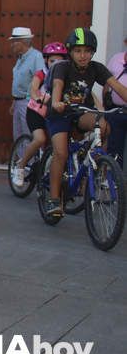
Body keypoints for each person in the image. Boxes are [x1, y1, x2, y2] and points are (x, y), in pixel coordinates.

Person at [45, 28, 127, 218]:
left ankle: (96, 160)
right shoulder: (62, 67)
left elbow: (116, 86)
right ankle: (54, 199)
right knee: (61, 153)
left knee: (104, 124)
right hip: (59, 113)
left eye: (87, 51)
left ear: (93, 52)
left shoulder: (96, 68)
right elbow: (57, 85)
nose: (83, 55)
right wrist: (57, 102)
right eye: (78, 51)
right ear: (70, 52)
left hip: (81, 112)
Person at [11, 42, 67, 187]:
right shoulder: (42, 73)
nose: (56, 63)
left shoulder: (66, 74)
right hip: (36, 110)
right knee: (40, 139)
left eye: (59, 61)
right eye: (52, 60)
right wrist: (37, 97)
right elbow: (33, 87)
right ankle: (21, 166)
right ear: (46, 61)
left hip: (54, 113)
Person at [9, 27, 45, 141]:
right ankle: (21, 159)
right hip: (18, 101)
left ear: (24, 42)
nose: (12, 45)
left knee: (28, 134)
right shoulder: (20, 58)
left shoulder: (36, 57)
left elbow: (41, 79)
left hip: (29, 102)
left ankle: (31, 159)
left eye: (14, 41)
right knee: (19, 136)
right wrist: (14, 103)